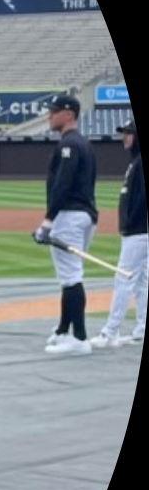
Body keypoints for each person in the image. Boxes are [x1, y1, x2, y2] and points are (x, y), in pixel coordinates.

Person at [35, 94, 98, 356]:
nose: (50, 115)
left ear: (69, 114)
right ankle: (63, 330)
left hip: (70, 215)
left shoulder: (69, 144)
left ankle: (80, 338)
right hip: (85, 215)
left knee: (71, 277)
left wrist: (48, 220)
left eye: (55, 111)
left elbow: (63, 184)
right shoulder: (83, 143)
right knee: (69, 276)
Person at [91, 118, 146, 347]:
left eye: (128, 133)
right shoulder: (135, 162)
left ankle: (110, 332)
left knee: (123, 278)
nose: (125, 137)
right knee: (141, 281)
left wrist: (130, 223)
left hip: (138, 232)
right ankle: (141, 328)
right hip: (139, 231)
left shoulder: (139, 164)